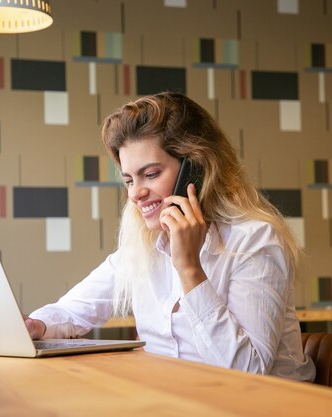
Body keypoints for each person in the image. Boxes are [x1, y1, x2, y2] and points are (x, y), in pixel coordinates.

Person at [26, 92, 315, 380]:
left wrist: (189, 268)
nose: (135, 194)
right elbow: (74, 310)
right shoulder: (144, 245)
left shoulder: (255, 240)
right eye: (129, 180)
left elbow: (247, 370)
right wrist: (36, 325)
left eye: (150, 174)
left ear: (196, 170)